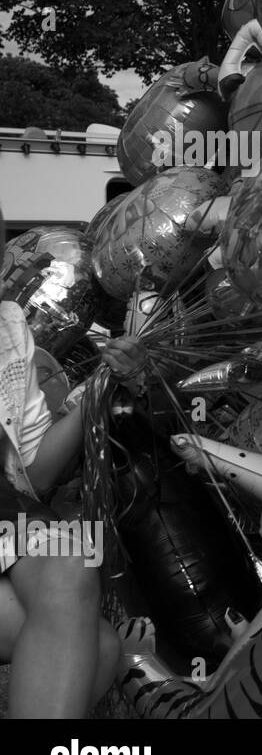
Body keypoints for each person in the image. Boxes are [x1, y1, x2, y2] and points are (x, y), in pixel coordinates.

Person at [0, 203, 147, 718]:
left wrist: (98, 389)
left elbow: (31, 475)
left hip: (8, 519)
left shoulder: (9, 329)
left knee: (73, 565)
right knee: (98, 647)